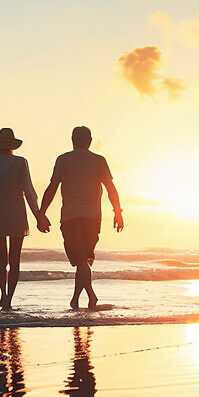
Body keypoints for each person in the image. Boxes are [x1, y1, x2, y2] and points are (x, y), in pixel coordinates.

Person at [38, 126, 123, 310]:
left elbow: (52, 187)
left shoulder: (63, 160)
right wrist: (117, 212)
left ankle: (91, 297)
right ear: (90, 141)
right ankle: (76, 299)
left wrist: (41, 213)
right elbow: (110, 188)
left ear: (72, 140)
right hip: (93, 218)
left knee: (81, 261)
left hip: (70, 217)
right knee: (83, 260)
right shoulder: (99, 160)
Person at [0, 127, 50, 310]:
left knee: (2, 258)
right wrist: (39, 215)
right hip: (16, 209)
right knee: (14, 259)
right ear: (12, 145)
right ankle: (9, 298)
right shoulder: (20, 162)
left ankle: (3, 294)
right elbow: (29, 191)